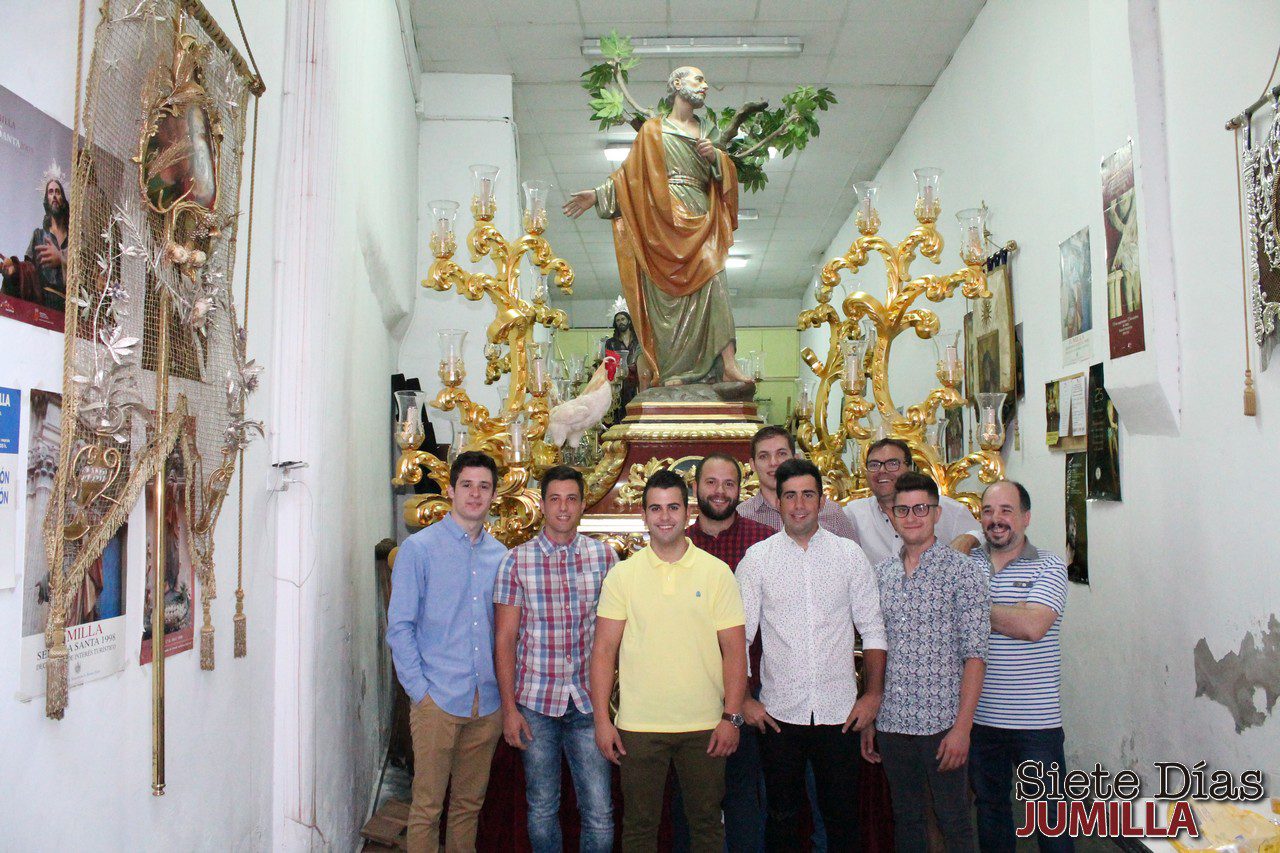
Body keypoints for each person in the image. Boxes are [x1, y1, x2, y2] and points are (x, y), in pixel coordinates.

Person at [563, 66, 751, 388]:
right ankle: (674, 371)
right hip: (662, 223)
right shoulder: (653, 131)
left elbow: (724, 177)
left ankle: (728, 364)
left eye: (705, 80)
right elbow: (629, 177)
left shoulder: (706, 131)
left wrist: (716, 159)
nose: (705, 86)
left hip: (701, 218)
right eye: (698, 80)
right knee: (666, 301)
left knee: (716, 282)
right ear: (677, 84)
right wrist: (596, 196)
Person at [591, 469, 748, 852]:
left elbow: (734, 652)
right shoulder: (622, 576)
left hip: (705, 727)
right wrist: (601, 721)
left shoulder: (717, 573)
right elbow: (603, 652)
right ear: (644, 515)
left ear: (688, 510)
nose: (665, 517)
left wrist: (732, 717)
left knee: (707, 826)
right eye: (656, 508)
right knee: (640, 829)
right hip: (639, 728)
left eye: (673, 507)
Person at [737, 458, 887, 852]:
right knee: (782, 817)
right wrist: (742, 701)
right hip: (779, 714)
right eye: (790, 496)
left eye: (808, 495)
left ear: (822, 501)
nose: (799, 504)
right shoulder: (758, 559)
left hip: (840, 714)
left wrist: (872, 696)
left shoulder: (848, 556)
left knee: (841, 819)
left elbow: (872, 629)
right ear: (778, 502)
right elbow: (738, 638)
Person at [862, 472, 989, 853]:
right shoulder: (881, 574)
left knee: (954, 820)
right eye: (903, 509)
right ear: (893, 516)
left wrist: (962, 728)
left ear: (936, 513)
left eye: (921, 508)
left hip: (943, 723)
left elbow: (975, 656)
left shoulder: (963, 571)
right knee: (907, 817)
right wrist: (872, 717)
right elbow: (875, 648)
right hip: (893, 721)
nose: (911, 517)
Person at [494, 465, 618, 852]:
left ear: (583, 505)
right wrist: (509, 709)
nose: (563, 508)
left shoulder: (605, 558)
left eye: (571, 499)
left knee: (598, 811)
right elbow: (505, 639)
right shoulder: (516, 561)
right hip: (535, 704)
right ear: (542, 504)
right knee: (543, 808)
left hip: (588, 703)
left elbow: (615, 636)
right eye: (554, 499)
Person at [387, 451, 506, 853]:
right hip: (437, 700)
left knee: (468, 807)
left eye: (484, 487)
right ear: (451, 490)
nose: (475, 494)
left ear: (494, 495)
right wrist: (421, 692)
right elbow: (400, 626)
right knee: (426, 809)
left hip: (486, 704)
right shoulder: (419, 550)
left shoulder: (501, 556)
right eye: (467, 485)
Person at [969, 482, 1072, 853]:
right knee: (991, 810)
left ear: (1026, 518)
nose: (996, 519)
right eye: (988, 511)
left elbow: (1033, 627)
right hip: (979, 720)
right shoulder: (967, 566)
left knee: (1050, 817)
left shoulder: (1049, 566)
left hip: (1036, 723)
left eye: (1006, 510)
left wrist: (972, 609)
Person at [683, 452, 775, 851]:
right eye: (711, 483)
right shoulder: (678, 544)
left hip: (749, 699)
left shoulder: (764, 543)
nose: (719, 492)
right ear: (696, 487)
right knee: (689, 806)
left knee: (743, 801)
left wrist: (747, 696)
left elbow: (776, 627)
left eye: (728, 484)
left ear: (741, 489)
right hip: (688, 700)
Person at [844, 437, 981, 566]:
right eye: (874, 465)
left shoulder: (945, 508)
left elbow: (985, 537)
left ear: (909, 468)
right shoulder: (854, 514)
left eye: (893, 464)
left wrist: (968, 538)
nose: (882, 470)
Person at [738, 426, 859, 542]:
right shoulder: (741, 515)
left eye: (781, 454)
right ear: (752, 464)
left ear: (795, 458)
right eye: (764, 456)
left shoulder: (831, 512)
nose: (773, 462)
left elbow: (852, 559)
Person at [2, 177, 69, 312]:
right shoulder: (38, 235)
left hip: (69, 309)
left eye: (58, 192)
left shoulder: (74, 240)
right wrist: (15, 270)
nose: (54, 195)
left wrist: (62, 259)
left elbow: (84, 275)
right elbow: (28, 270)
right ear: (46, 200)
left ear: (63, 199)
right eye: (50, 192)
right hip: (43, 303)